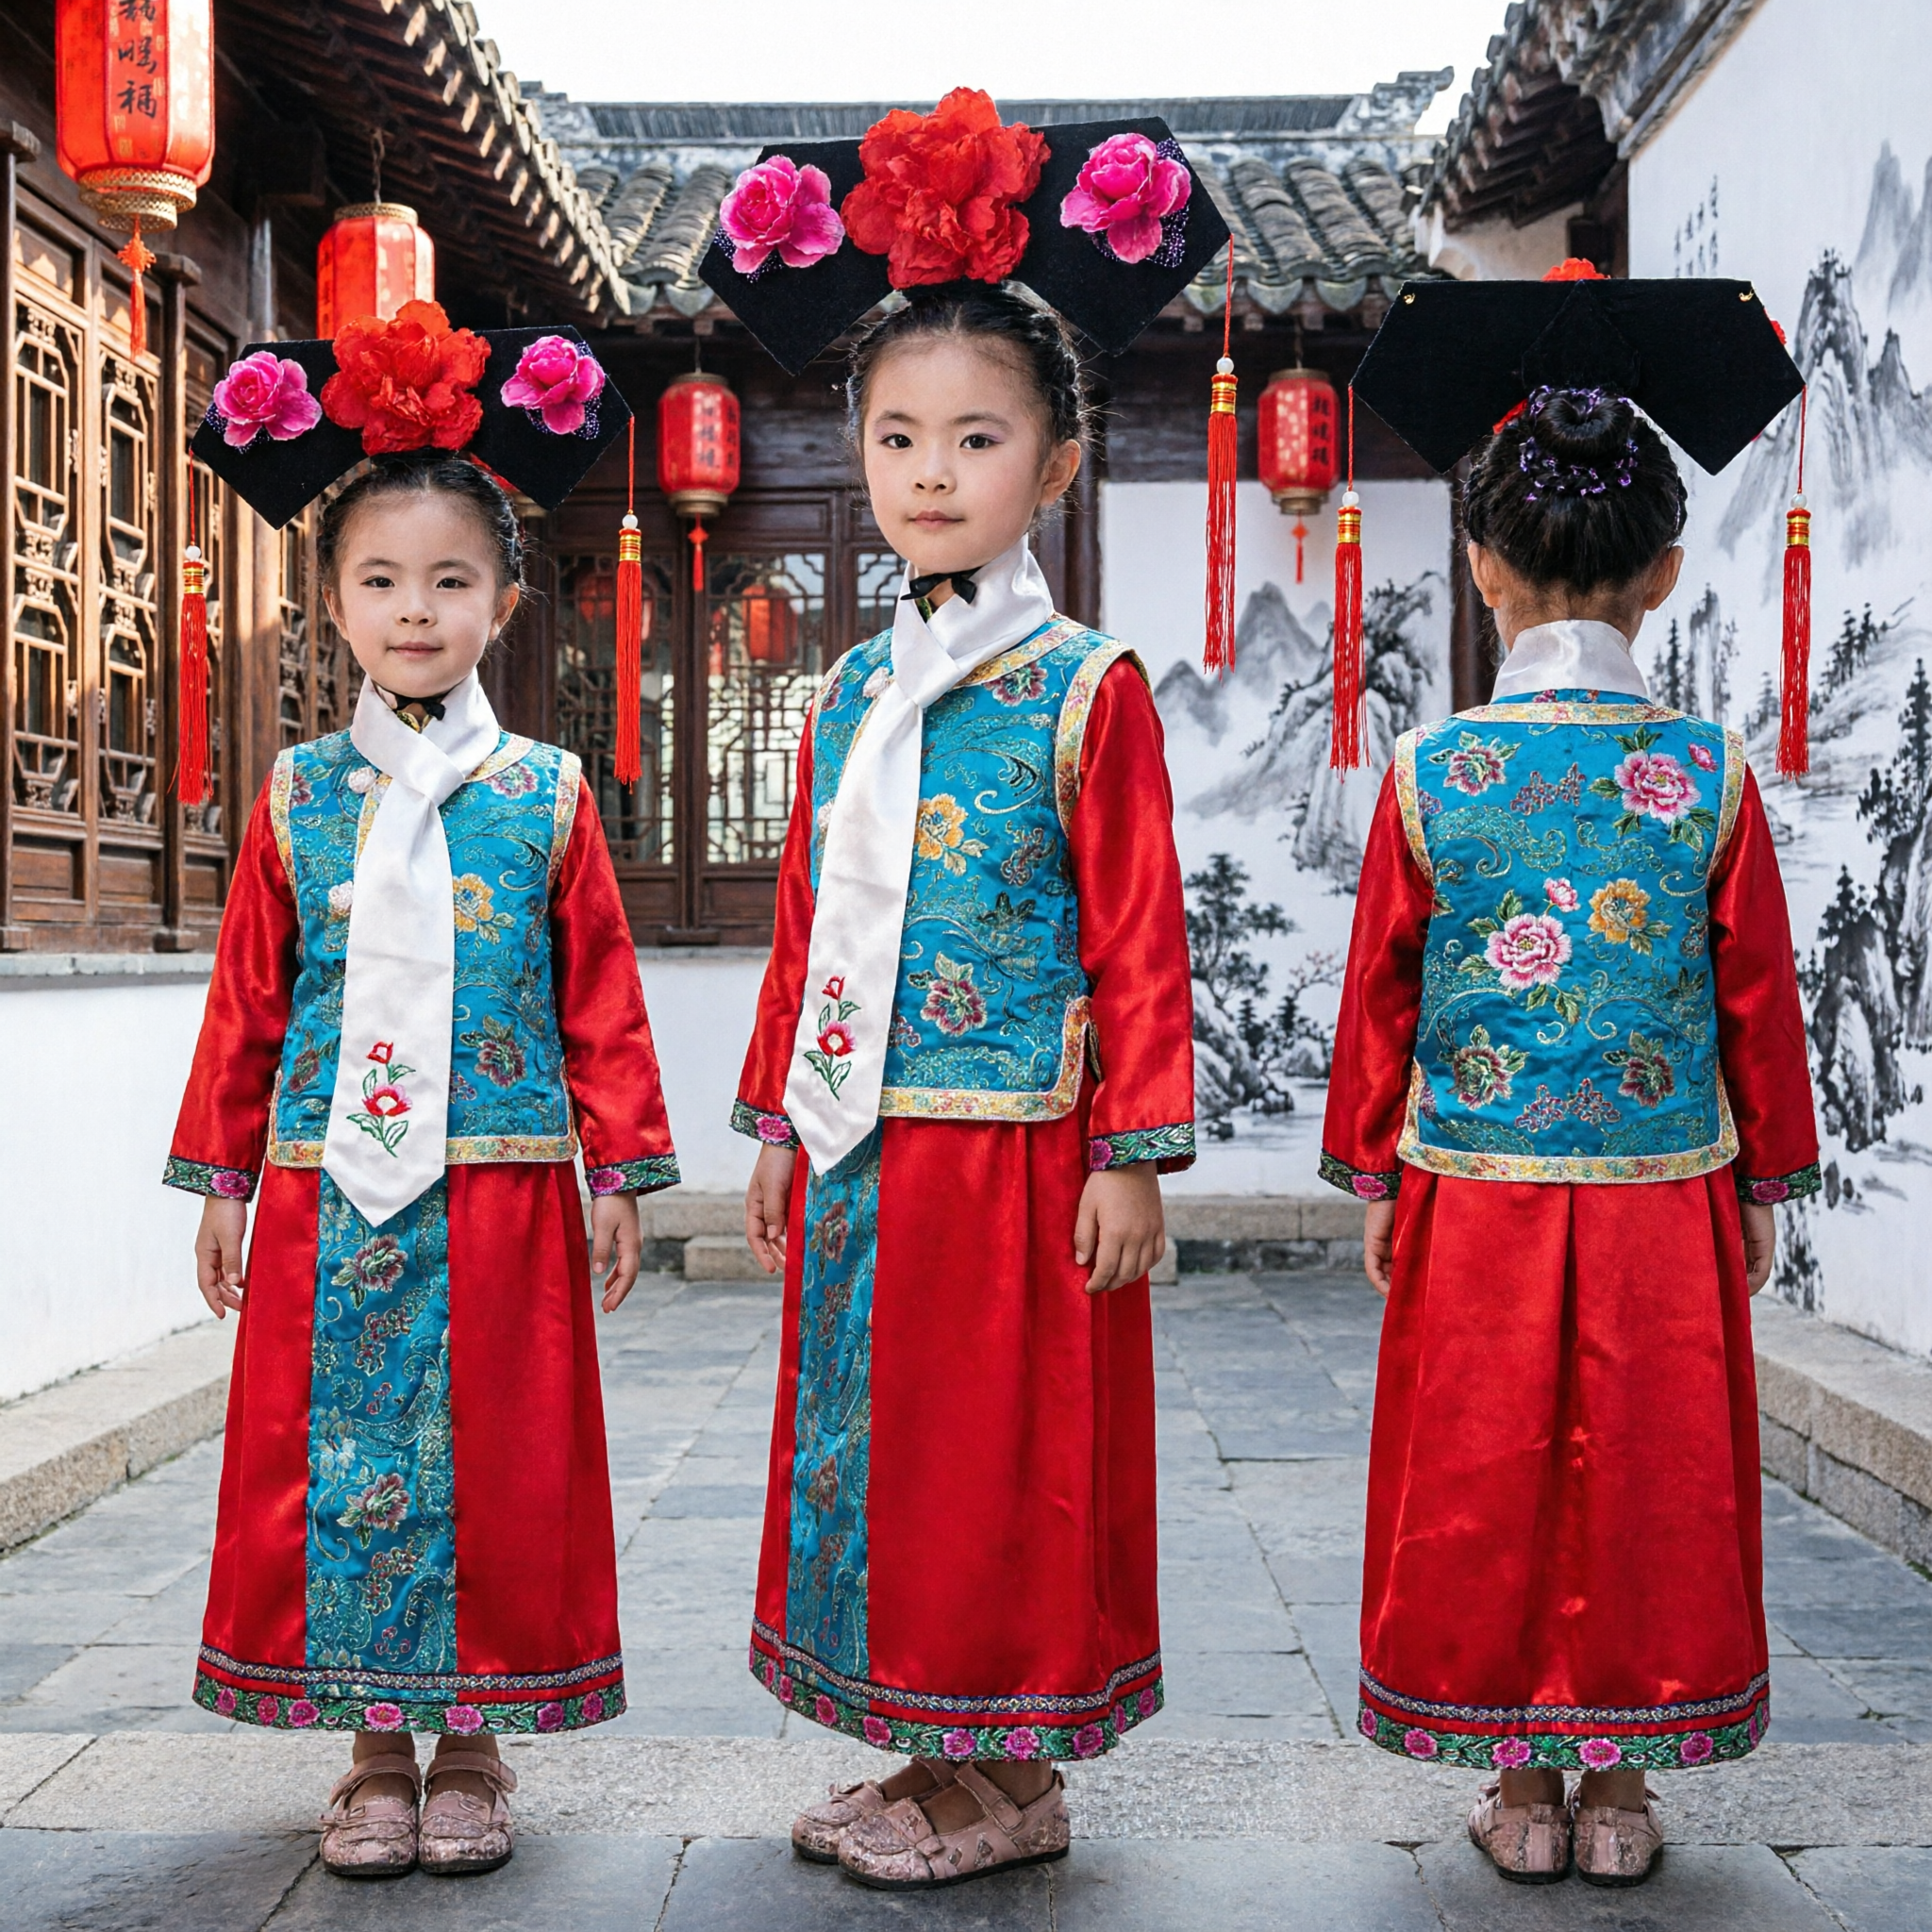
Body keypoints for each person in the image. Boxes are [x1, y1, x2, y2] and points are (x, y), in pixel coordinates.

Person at [701, 92, 1222, 1890]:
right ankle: (929, 1751)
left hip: (1020, 1142)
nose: (932, 471)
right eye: (899, 433)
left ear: (1055, 466)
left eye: (978, 437)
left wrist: (1135, 1151)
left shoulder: (1090, 688)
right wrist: (775, 1118)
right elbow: (805, 915)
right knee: (894, 1459)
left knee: (1001, 1461)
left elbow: (1141, 930)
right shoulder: (850, 693)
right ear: (857, 446)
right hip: (864, 1145)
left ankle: (1014, 1779)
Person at [167, 309, 675, 1879]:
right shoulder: (298, 794)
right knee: (348, 1462)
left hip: (502, 1183)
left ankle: (476, 1744)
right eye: (381, 580)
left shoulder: (546, 794)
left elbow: (599, 993)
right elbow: (253, 996)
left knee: (497, 1458)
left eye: (452, 581)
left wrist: (617, 1170)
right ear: (330, 602)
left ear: (506, 604)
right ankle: (372, 1745)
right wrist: (229, 1181)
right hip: (332, 1185)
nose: (416, 609)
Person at [1324, 308, 1819, 1889]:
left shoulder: (1433, 771)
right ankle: (1623, 1796)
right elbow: (1757, 1000)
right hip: (1665, 1186)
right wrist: (1758, 1183)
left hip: (1478, 1187)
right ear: (1662, 571)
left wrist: (1375, 1174)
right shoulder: (1710, 772)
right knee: (1651, 1469)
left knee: (1490, 1471)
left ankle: (1521, 1789)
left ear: (1482, 566)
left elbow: (1382, 1003)